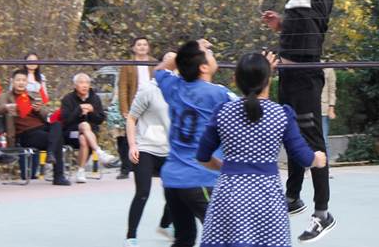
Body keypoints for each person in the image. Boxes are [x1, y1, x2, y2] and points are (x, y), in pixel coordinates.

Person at [261, 0, 343, 242]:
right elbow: (306, 27)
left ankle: (323, 213)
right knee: (290, 135)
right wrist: (280, 25)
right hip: (289, 73)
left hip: (305, 76)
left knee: (313, 144)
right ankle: (292, 197)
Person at [197, 52, 326, 247]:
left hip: (229, 197)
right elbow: (303, 156)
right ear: (268, 80)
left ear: (235, 79)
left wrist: (225, 167)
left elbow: (202, 156)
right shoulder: (281, 114)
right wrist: (317, 159)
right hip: (267, 198)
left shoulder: (223, 112)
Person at [155, 40, 236, 247]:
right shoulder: (219, 94)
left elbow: (160, 70)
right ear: (203, 67)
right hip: (200, 177)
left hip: (172, 179)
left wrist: (184, 53)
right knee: (224, 238)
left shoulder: (174, 86)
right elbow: (254, 109)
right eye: (208, 53)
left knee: (184, 239)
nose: (211, 53)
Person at [0, 69, 70, 185]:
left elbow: (48, 115)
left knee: (56, 125)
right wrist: (5, 108)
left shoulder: (34, 95)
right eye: (18, 80)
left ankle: (51, 153)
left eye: (23, 80)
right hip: (25, 133)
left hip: (42, 127)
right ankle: (58, 175)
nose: (21, 83)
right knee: (57, 139)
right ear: (12, 81)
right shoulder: (4, 97)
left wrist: (39, 110)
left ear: (27, 82)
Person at [124, 77, 173, 246]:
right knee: (143, 192)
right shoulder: (148, 90)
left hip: (170, 150)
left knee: (177, 192)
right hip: (145, 148)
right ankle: (131, 237)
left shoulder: (181, 88)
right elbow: (131, 118)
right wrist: (132, 145)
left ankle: (165, 224)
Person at [60, 73, 116, 183]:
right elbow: (66, 121)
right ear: (75, 85)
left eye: (87, 83)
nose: (85, 85)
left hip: (90, 134)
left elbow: (100, 120)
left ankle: (80, 171)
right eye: (81, 83)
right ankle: (99, 152)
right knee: (84, 125)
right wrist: (79, 110)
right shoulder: (68, 99)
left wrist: (91, 111)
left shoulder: (94, 98)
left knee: (84, 139)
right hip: (71, 133)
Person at [117, 36, 154, 179]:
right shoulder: (128, 65)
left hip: (151, 103)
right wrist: (124, 109)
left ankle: (149, 166)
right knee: (128, 136)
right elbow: (122, 88)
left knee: (149, 135)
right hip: (135, 103)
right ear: (134, 48)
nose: (142, 47)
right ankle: (125, 168)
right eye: (139, 44)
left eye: (145, 44)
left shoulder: (154, 63)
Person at [321, 67, 337, 163]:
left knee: (323, 139)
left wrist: (331, 108)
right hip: (308, 108)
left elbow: (332, 90)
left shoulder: (329, 69)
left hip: (323, 109)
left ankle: (325, 166)